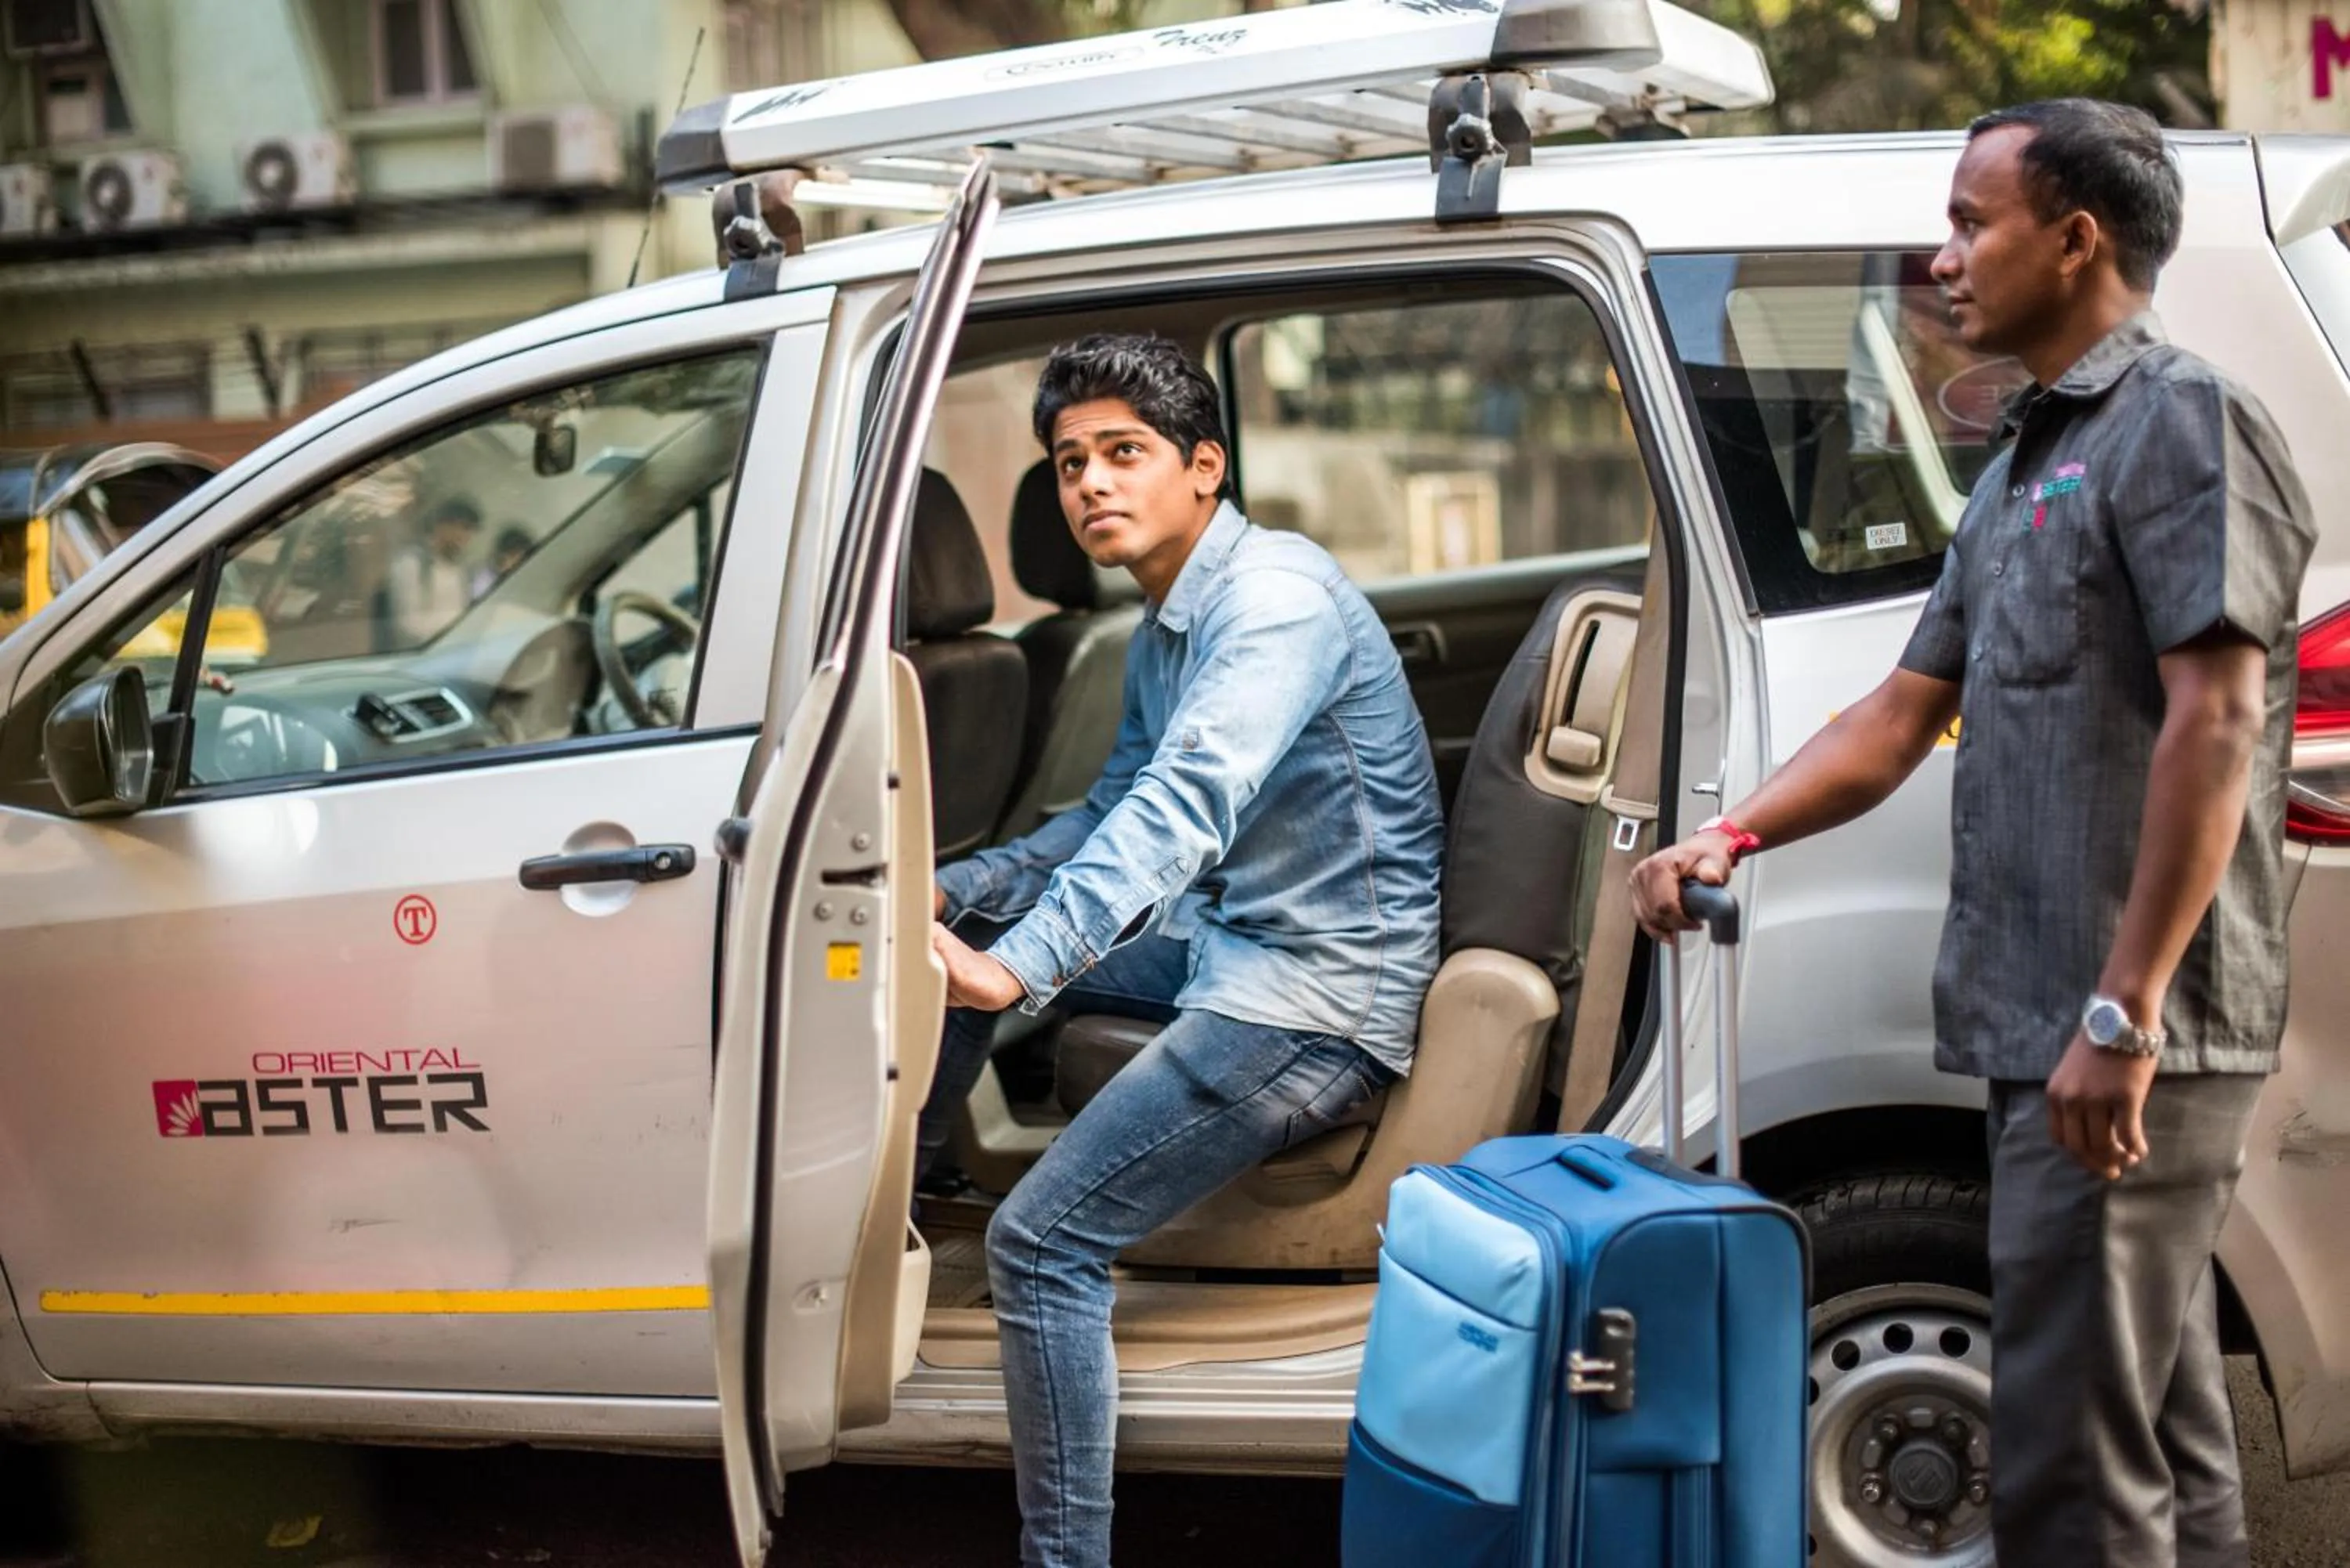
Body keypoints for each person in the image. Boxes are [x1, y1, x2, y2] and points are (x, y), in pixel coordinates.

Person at [1631, 100, 2315, 1568]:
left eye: (1969, 222)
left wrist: (2123, 1012)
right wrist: (1728, 835)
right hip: (2045, 1019)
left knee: (2067, 1452)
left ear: (2075, 240)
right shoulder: (2021, 462)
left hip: (2130, 1027)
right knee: (2155, 1420)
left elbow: (2220, 721)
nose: (1941, 259)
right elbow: (1895, 717)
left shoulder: (2181, 421)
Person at [920, 334, 1444, 1568]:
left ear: (1203, 467)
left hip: (1314, 998)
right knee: (973, 927)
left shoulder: (1270, 605)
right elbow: (1110, 805)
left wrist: (1024, 963)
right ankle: (916, 1193)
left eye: (1123, 453)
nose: (1091, 483)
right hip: (1234, 943)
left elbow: (1182, 806)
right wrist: (952, 893)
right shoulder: (1170, 618)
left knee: (1041, 1242)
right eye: (1068, 463)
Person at [383, 497, 481, 644]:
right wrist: (460, 629)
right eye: (462, 527)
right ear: (440, 525)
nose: (465, 536)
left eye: (470, 529)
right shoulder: (411, 563)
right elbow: (409, 624)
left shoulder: (463, 571)